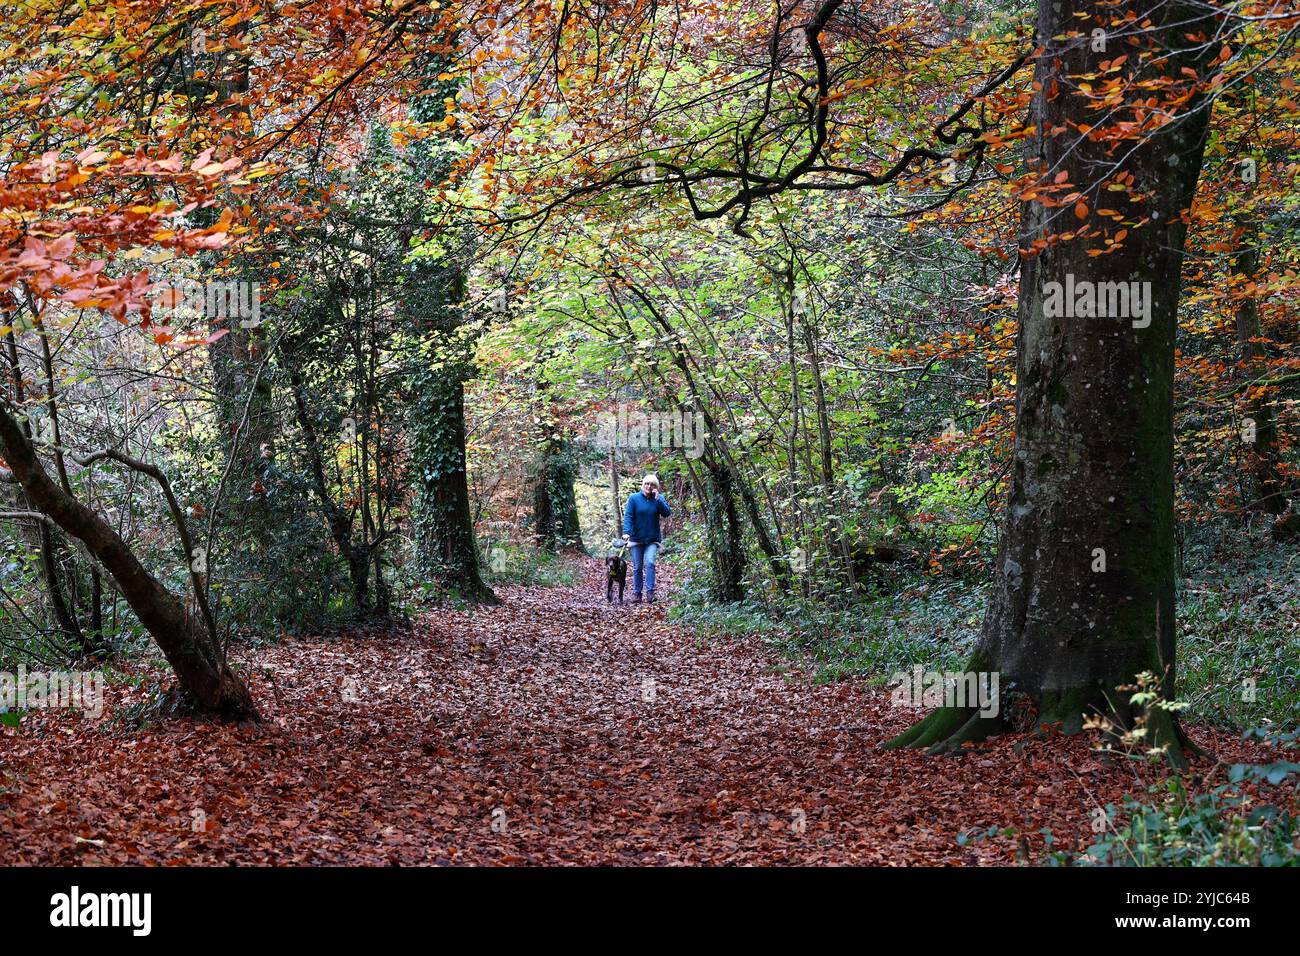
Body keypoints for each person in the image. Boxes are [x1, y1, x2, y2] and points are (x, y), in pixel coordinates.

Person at [622, 473, 671, 603]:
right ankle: (637, 593)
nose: (649, 486)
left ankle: (650, 593)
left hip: (652, 539)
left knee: (650, 563)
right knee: (637, 566)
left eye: (652, 484)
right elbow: (628, 516)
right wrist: (626, 532)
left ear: (656, 487)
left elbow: (667, 513)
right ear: (643, 485)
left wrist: (658, 499)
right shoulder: (634, 498)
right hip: (636, 538)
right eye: (647, 484)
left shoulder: (658, 499)